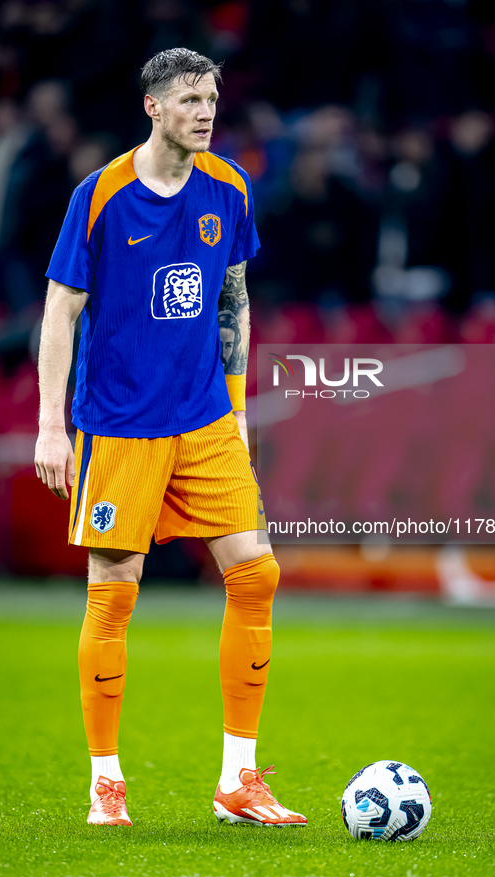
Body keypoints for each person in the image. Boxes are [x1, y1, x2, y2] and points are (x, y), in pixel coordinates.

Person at [34, 48, 306, 828]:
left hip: (204, 417)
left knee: (255, 573)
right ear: (153, 108)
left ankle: (238, 778)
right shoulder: (101, 195)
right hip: (118, 424)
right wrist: (52, 425)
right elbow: (61, 309)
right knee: (114, 592)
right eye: (190, 98)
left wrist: (238, 406)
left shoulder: (229, 187)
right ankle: (106, 781)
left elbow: (233, 300)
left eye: (213, 97)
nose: (206, 110)